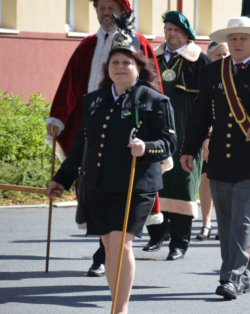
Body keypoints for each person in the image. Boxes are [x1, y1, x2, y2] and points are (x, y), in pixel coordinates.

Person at [47, 23, 176, 314]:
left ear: (137, 67)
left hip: (134, 185)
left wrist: (147, 148)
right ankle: (117, 303)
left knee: (121, 244)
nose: (120, 67)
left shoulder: (155, 101)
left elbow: (169, 143)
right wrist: (61, 179)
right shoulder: (94, 101)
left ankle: (120, 309)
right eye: (115, 62)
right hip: (98, 184)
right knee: (110, 248)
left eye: (126, 62)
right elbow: (82, 144)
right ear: (108, 68)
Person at [46, 0, 162, 277]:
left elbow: (152, 83)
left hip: (129, 134)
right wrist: (59, 116)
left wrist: (152, 130)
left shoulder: (138, 43)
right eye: (100, 8)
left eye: (111, 8)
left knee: (122, 202)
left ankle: (106, 255)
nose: (105, 13)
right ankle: (104, 251)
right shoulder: (87, 45)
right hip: (95, 128)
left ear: (122, 12)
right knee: (94, 190)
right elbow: (70, 83)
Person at [181, 17, 250, 300]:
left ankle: (231, 278)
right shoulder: (214, 71)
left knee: (242, 220)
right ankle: (243, 274)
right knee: (226, 222)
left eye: (243, 38)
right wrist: (189, 148)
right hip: (220, 157)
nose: (237, 43)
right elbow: (201, 112)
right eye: (233, 38)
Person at [143, 12, 210, 260]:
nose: (171, 34)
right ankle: (157, 233)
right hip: (155, 130)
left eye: (176, 30)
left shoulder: (201, 62)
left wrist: (207, 135)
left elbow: (208, 104)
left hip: (187, 132)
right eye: (168, 29)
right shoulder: (151, 58)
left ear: (187, 34)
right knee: (153, 181)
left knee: (184, 184)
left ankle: (180, 242)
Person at [196, 41, 230, 241]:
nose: (224, 58)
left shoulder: (234, 74)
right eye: (219, 55)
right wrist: (207, 136)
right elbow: (203, 107)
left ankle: (221, 224)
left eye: (226, 54)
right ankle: (206, 223)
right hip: (209, 134)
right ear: (210, 57)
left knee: (224, 181)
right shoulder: (208, 75)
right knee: (206, 179)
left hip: (229, 136)